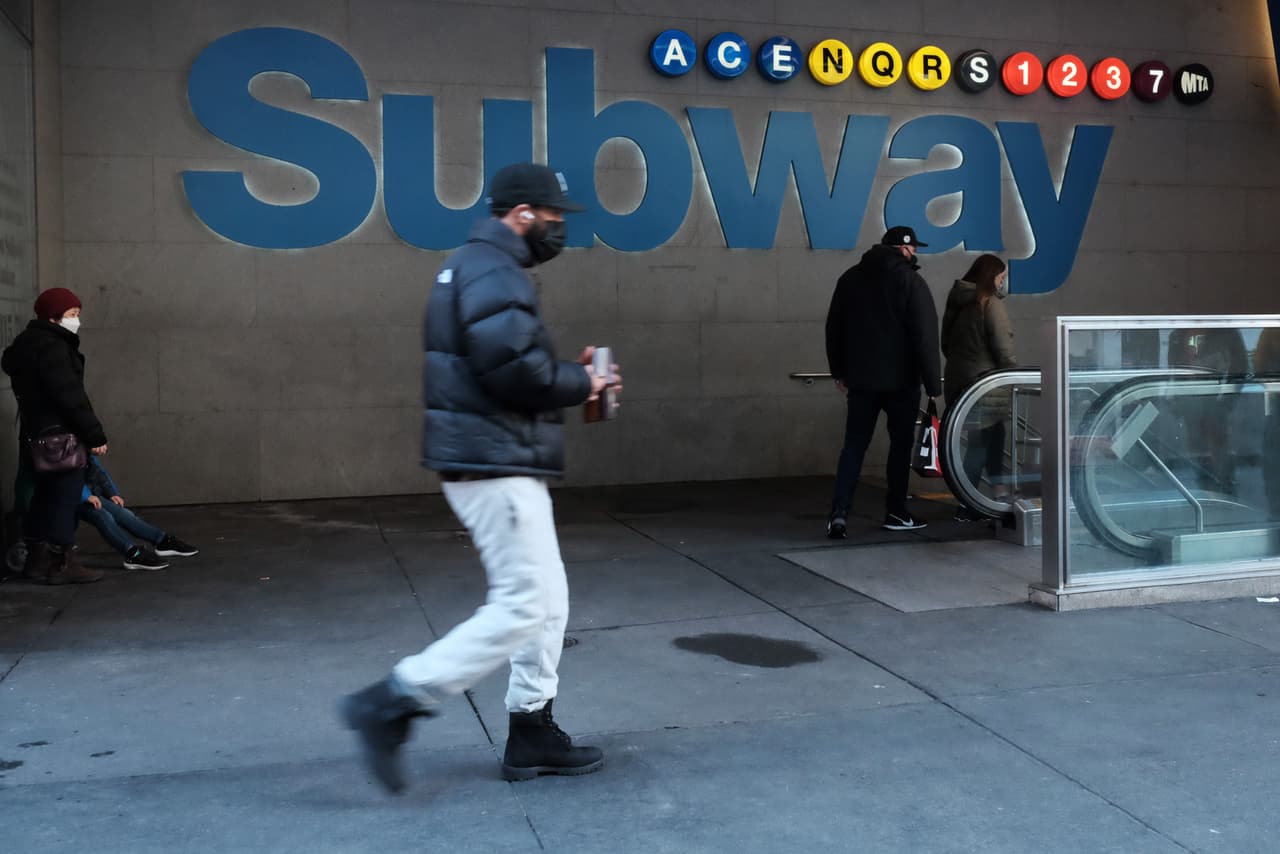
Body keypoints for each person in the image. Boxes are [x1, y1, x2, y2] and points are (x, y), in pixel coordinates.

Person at [340, 162, 621, 793]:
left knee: (548, 600)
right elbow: (514, 372)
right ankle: (394, 699)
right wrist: (586, 382)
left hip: (496, 455)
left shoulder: (480, 266)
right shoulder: (491, 268)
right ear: (522, 214)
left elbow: (505, 360)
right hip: (494, 461)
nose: (558, 230)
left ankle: (531, 729)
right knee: (524, 603)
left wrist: (566, 373)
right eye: (554, 219)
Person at [824, 225, 942, 538]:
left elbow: (834, 327)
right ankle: (895, 512)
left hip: (861, 381)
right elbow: (926, 336)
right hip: (902, 383)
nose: (915, 252)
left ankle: (838, 513)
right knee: (900, 447)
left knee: (853, 446)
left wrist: (839, 370)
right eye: (913, 248)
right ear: (903, 249)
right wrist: (933, 386)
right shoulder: (911, 282)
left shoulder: (850, 278)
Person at [1, 288, 107, 584]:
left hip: (35, 434)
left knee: (44, 497)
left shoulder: (27, 344)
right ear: (53, 316)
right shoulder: (52, 348)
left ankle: (37, 560)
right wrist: (95, 435)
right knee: (64, 496)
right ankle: (63, 563)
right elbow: (69, 396)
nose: (77, 321)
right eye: (72, 315)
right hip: (61, 438)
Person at [940, 254, 1016, 521]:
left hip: (959, 380)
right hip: (986, 383)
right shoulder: (990, 305)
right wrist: (1014, 374)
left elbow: (945, 344)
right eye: (1001, 278)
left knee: (990, 438)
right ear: (990, 277)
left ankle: (997, 494)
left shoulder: (958, 302)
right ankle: (969, 504)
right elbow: (1003, 348)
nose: (1002, 283)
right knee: (982, 443)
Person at [78, 456, 198, 570]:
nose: (103, 449)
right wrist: (86, 495)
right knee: (103, 516)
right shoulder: (65, 445)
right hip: (68, 497)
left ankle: (162, 540)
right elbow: (64, 477)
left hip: (87, 492)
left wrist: (111, 492)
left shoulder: (83, 448)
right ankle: (132, 553)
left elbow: (98, 471)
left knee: (123, 513)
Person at [1167, 327, 1248, 493]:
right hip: (1190, 401)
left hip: (1217, 400)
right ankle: (1204, 482)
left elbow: (1240, 368)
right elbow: (1174, 372)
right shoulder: (1177, 336)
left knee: (1219, 441)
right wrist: (1178, 400)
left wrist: (1227, 401)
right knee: (1197, 444)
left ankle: (1225, 484)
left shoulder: (1227, 333)